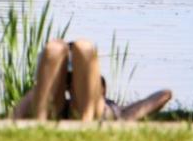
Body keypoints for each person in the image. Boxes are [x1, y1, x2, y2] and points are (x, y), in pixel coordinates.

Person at [13, 39, 172, 121]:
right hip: (89, 113)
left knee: (61, 48)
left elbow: (164, 94)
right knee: (80, 47)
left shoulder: (116, 109)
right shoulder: (118, 111)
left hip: (71, 112)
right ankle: (85, 122)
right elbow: (163, 95)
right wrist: (127, 120)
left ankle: (41, 122)